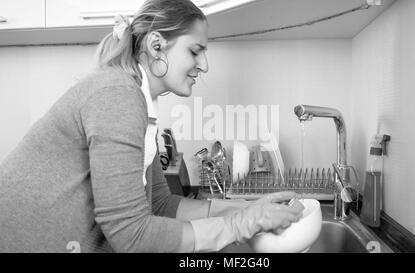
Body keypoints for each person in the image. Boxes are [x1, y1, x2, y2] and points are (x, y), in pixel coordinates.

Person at [0, 0, 303, 253]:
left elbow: (160, 203)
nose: (204, 65)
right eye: (195, 51)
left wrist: (240, 210)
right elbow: (129, 233)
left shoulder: (140, 104)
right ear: (157, 45)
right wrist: (238, 226)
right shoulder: (117, 95)